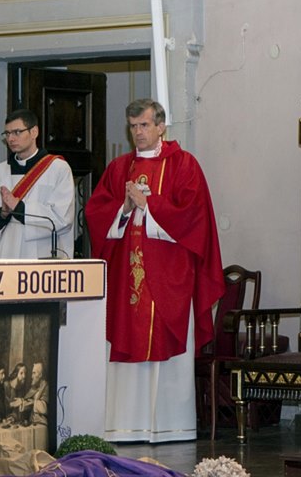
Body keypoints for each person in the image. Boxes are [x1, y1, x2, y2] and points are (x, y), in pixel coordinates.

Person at [85, 98, 225, 443]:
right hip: (127, 278)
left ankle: (171, 426)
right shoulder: (119, 168)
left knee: (166, 345)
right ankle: (123, 426)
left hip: (168, 276)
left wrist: (150, 205)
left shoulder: (184, 165)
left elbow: (194, 216)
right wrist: (124, 207)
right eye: (133, 126)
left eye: (144, 125)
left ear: (161, 127)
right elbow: (95, 213)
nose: (138, 132)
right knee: (125, 337)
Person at [0, 108, 75, 259]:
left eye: (17, 132)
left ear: (34, 132)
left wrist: (20, 208)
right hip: (6, 256)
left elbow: (63, 218)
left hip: (43, 255)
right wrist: (2, 214)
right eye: (7, 133)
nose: (11, 139)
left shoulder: (58, 168)